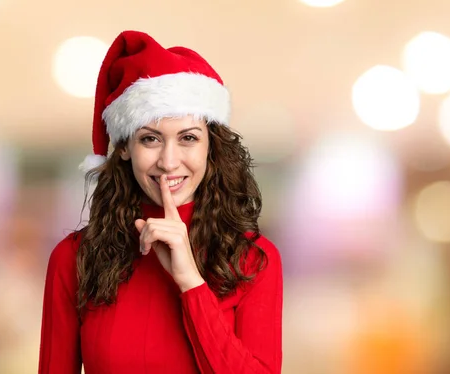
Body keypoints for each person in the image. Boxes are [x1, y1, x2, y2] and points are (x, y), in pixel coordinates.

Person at [38, 30, 283, 374]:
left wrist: (191, 285)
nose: (169, 162)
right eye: (150, 138)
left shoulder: (256, 261)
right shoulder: (73, 259)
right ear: (124, 148)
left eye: (188, 138)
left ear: (211, 146)